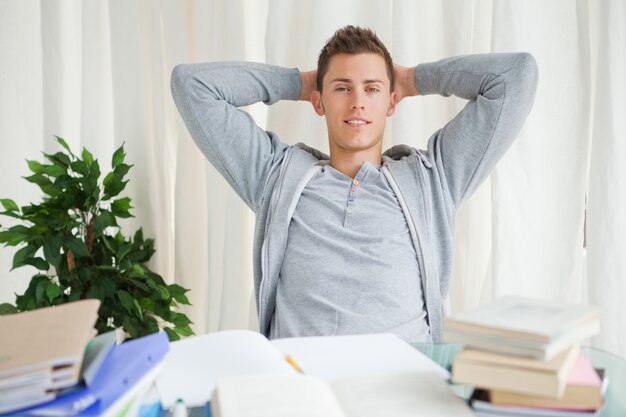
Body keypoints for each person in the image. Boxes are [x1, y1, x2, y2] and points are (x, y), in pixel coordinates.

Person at [171, 25, 538, 344]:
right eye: (342, 89)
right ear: (319, 101)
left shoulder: (432, 179)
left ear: (391, 101)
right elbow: (192, 85)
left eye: (373, 89)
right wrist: (301, 83)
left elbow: (515, 76)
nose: (358, 103)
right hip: (305, 387)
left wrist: (411, 79)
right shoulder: (275, 176)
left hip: (401, 387)